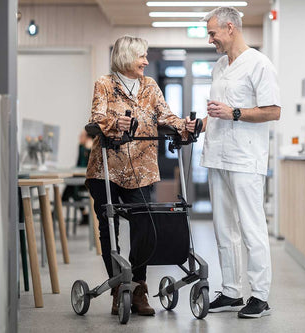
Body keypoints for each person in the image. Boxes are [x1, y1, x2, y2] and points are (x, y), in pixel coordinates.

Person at [85, 35, 196, 316]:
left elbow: (167, 117)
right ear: (125, 58)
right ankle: (117, 288)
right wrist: (114, 122)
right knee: (107, 226)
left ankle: (138, 287)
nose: (146, 61)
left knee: (145, 223)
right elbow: (96, 119)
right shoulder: (104, 84)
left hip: (142, 170)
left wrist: (186, 125)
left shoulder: (150, 86)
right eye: (141, 56)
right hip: (106, 168)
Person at [200, 7, 281, 318]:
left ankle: (260, 296)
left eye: (213, 33)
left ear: (230, 28)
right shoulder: (220, 66)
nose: (211, 39)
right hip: (217, 154)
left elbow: (273, 111)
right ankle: (232, 291)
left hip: (246, 158)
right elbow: (217, 111)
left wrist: (234, 112)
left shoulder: (260, 64)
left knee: (251, 228)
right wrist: (201, 124)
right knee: (223, 228)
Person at [62, 130, 92, 225]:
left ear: (88, 137)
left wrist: (87, 150)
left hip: (87, 181)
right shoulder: (80, 147)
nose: (80, 137)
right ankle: (84, 214)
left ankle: (60, 203)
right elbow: (79, 164)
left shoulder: (91, 148)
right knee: (71, 186)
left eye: (82, 135)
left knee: (71, 187)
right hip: (78, 178)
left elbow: (87, 166)